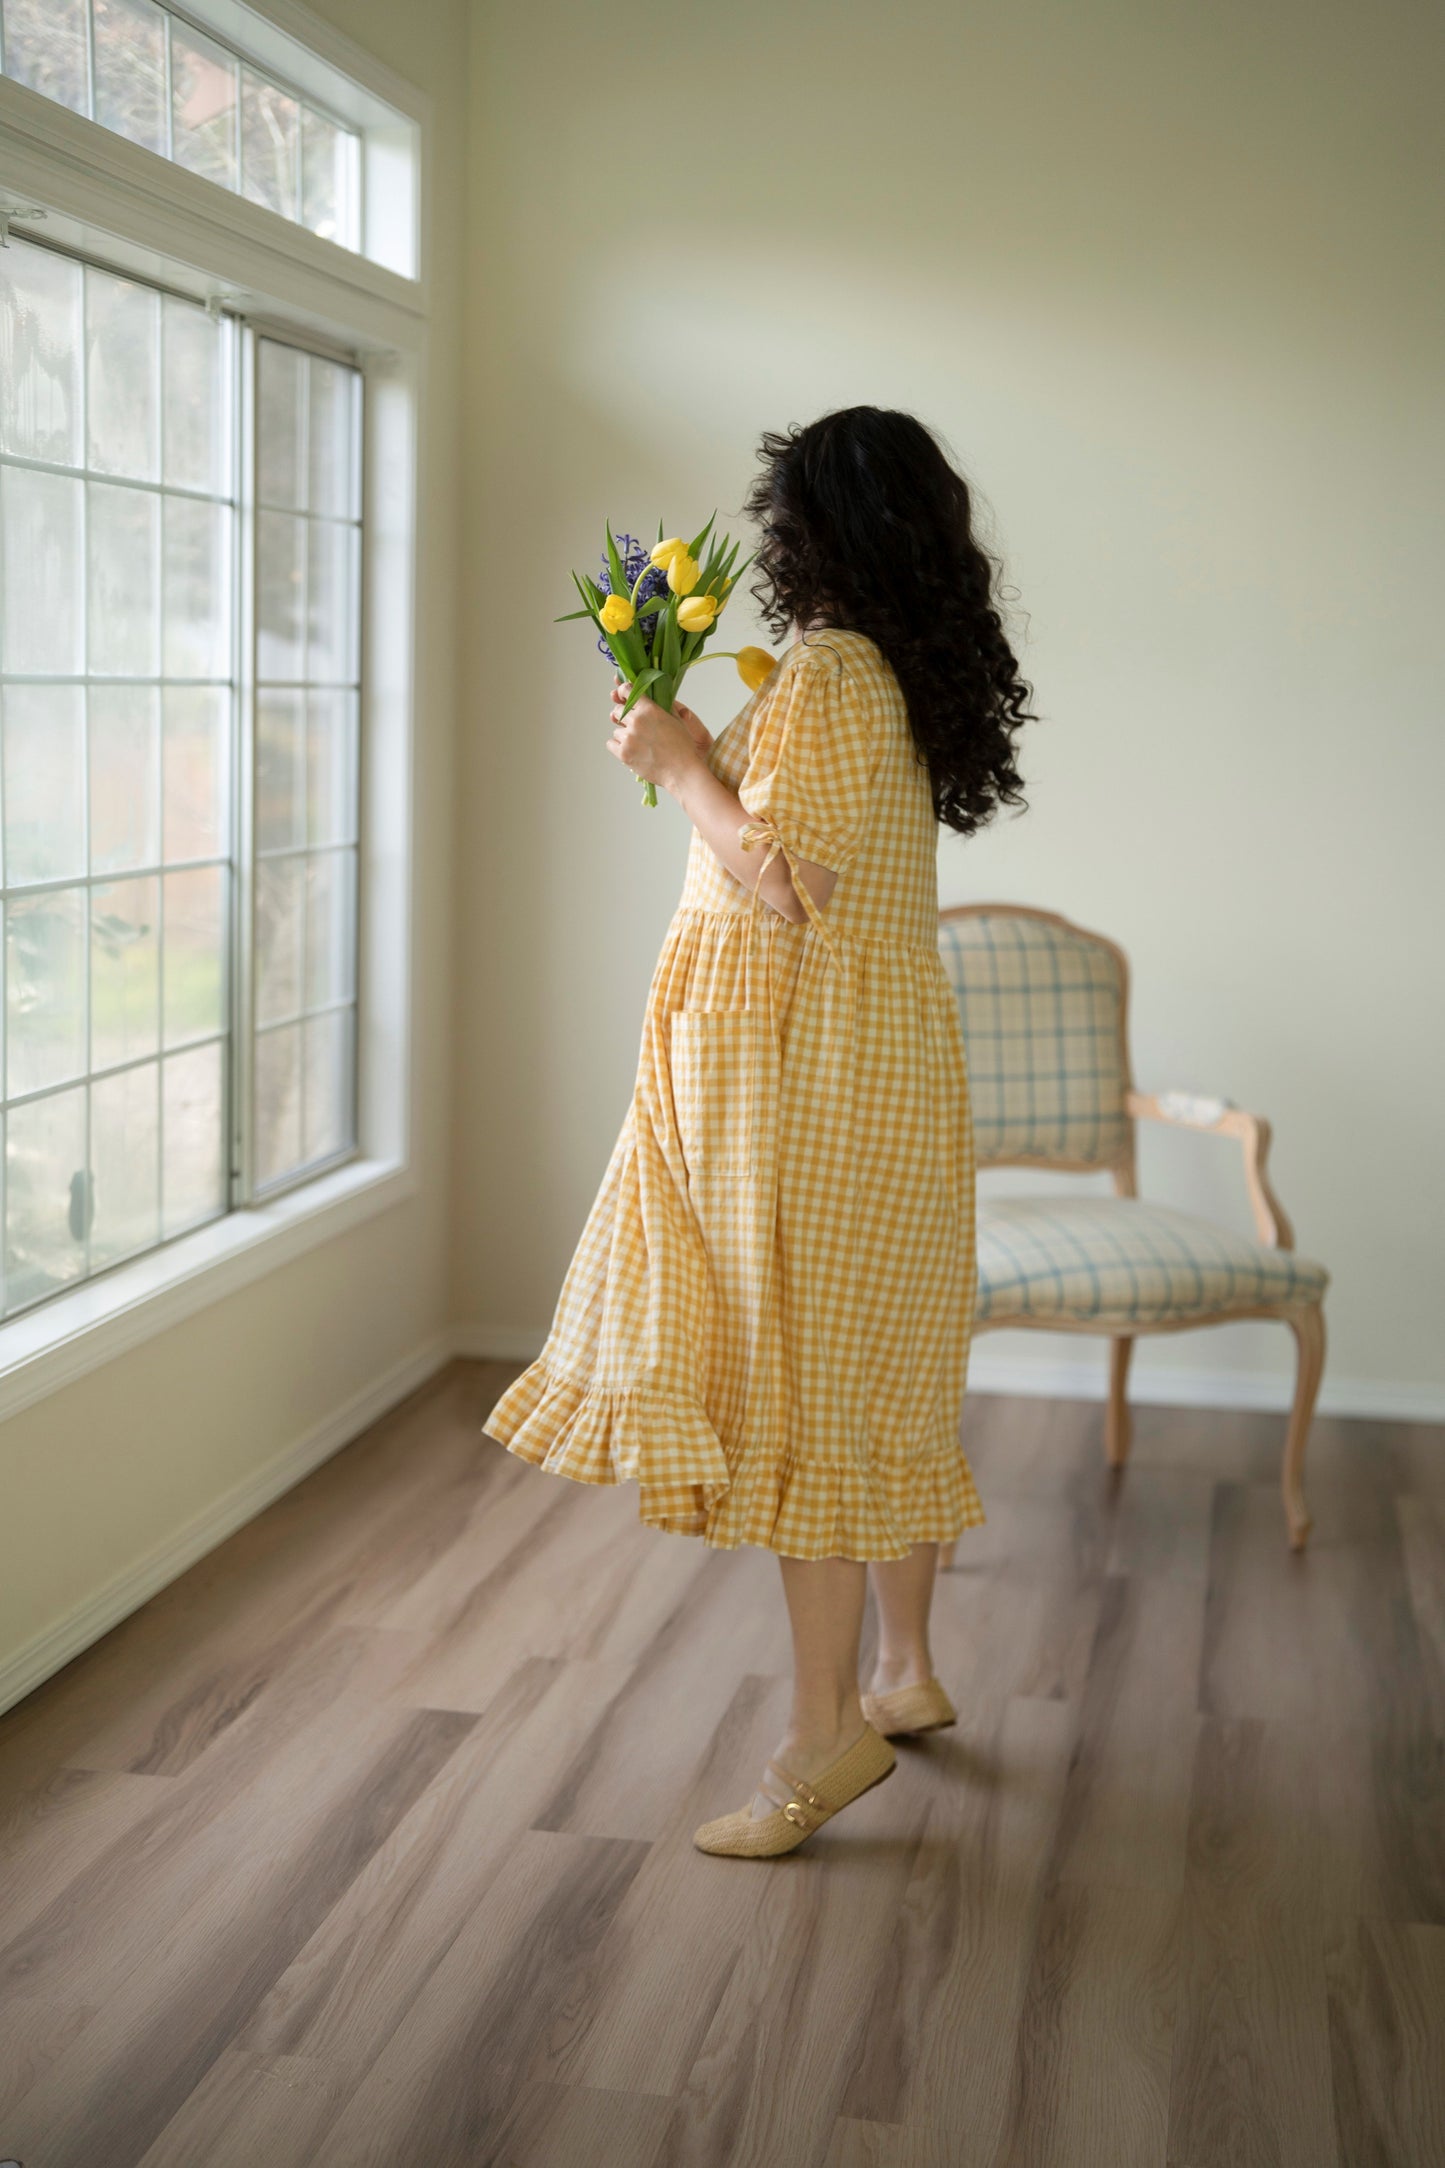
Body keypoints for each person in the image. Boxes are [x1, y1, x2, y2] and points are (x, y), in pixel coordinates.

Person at [483, 406, 1034, 1858]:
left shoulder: (838, 672)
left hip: (810, 1079)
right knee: (878, 1379)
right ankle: (902, 1674)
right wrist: (679, 741)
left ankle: (820, 1741)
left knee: (803, 1394)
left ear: (810, 529)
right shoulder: (888, 673)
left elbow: (785, 882)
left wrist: (676, 765)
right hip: (873, 1063)